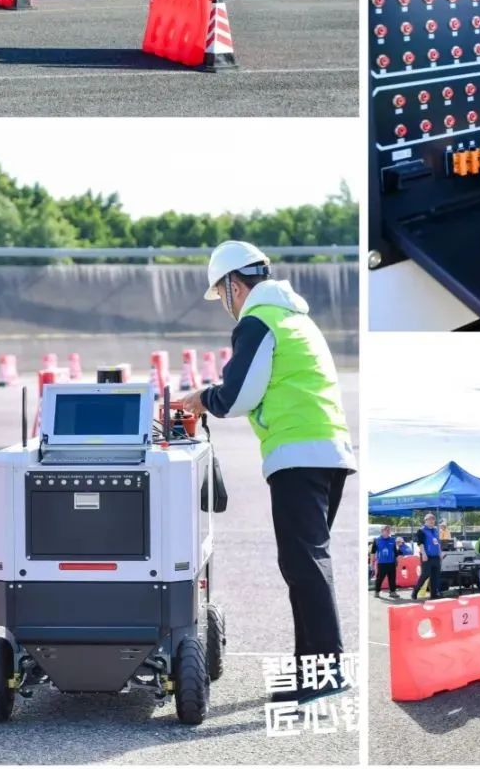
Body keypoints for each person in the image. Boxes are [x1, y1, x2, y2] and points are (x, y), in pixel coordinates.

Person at [180, 240, 355, 698]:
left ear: (234, 285)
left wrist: (201, 399)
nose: (226, 305)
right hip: (328, 451)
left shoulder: (259, 320)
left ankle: (327, 672)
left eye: (222, 294)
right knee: (305, 563)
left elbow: (238, 395)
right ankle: (310, 671)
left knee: (305, 565)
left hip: (299, 454)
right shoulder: (296, 317)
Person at [411, 513, 442, 600]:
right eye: (430, 519)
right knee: (425, 575)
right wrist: (424, 554)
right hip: (427, 556)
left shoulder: (435, 530)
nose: (432, 521)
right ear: (426, 520)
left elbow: (438, 543)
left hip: (436, 556)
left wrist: (440, 553)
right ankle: (415, 592)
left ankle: (434, 594)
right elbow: (420, 543)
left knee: (435, 576)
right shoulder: (421, 530)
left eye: (433, 520)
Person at [372, 526, 399, 599]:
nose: (388, 531)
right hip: (382, 563)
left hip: (391, 562)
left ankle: (392, 592)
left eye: (389, 530)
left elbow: (395, 551)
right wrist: (372, 562)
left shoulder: (393, 540)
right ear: (382, 531)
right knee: (379, 578)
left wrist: (397, 560)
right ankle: (377, 592)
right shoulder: (376, 540)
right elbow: (373, 552)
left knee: (392, 578)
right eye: (386, 530)